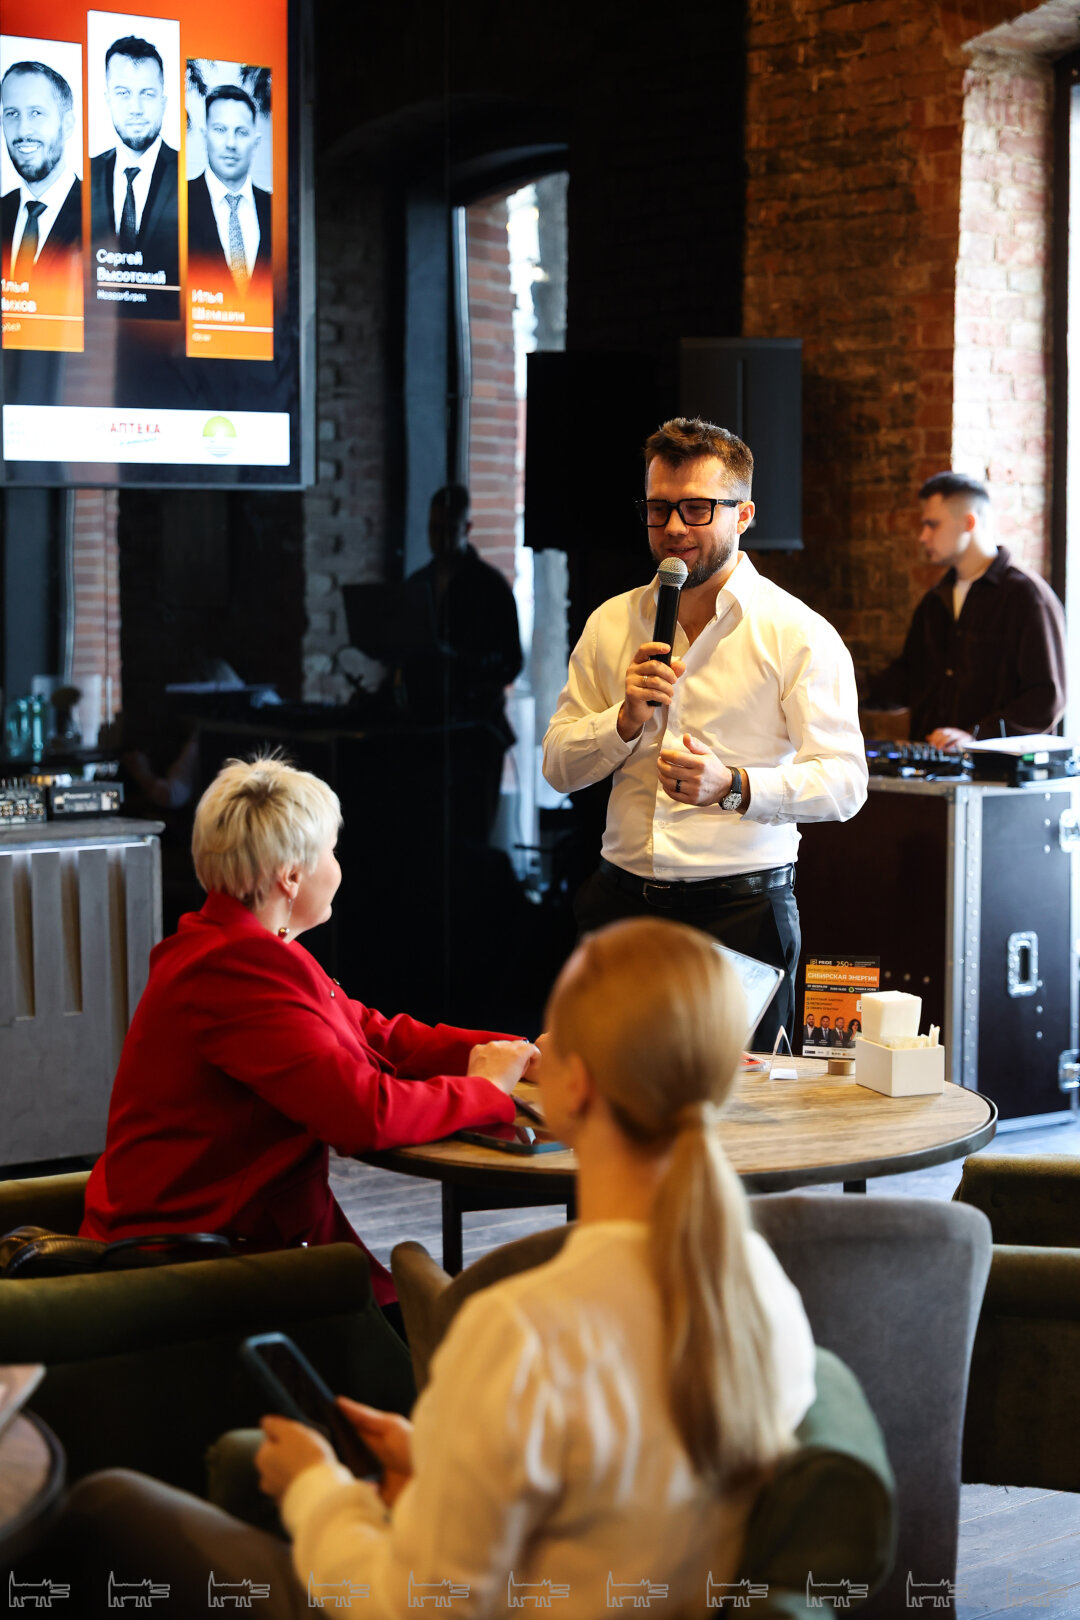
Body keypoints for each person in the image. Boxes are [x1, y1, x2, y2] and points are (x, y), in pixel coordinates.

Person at [56, 918, 816, 1617]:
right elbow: (592, 1497)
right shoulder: (760, 1289)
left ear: (575, 1087)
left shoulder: (519, 1331)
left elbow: (410, 1604)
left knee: (106, 1503)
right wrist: (436, 1460)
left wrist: (317, 1488)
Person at [79, 755, 536, 1308]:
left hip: (254, 1244)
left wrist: (516, 1051)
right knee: (463, 1318)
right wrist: (483, 1090)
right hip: (205, 1270)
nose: (339, 868)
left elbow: (373, 1033)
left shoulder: (236, 943)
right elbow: (362, 1114)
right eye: (332, 852)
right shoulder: (237, 967)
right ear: (291, 876)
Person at [542, 417, 868, 1047]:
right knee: (607, 1090)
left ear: (743, 515)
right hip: (620, 906)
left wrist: (735, 785)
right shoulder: (612, 622)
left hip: (739, 914)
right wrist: (622, 722)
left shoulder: (796, 633)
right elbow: (557, 766)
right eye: (658, 508)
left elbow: (846, 784)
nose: (673, 528)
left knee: (736, 1103)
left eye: (696, 509)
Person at [868, 472, 1066, 749]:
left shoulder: (1027, 596)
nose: (923, 537)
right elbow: (907, 682)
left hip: (996, 771)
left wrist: (977, 737)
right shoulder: (934, 601)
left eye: (932, 525)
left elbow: (1046, 698)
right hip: (932, 767)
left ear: (969, 522)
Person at [401, 484, 523, 839]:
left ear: (466, 528)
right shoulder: (418, 583)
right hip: (429, 728)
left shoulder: (491, 586)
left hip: (475, 730)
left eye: (447, 529)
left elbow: (511, 661)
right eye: (433, 528)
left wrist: (465, 666)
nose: (439, 538)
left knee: (471, 835)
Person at [89, 35, 179, 318]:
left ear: (164, 101)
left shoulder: (191, 178)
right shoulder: (83, 177)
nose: (136, 108)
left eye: (147, 94)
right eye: (123, 93)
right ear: (108, 100)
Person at [0, 61, 81, 286]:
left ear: (67, 124)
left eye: (36, 113)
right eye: (12, 114)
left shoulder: (103, 216)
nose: (23, 130)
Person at [187, 84, 271, 295]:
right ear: (204, 135)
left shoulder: (276, 209)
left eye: (241, 132)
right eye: (220, 130)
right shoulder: (177, 201)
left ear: (256, 141)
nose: (230, 143)